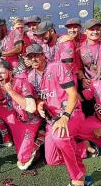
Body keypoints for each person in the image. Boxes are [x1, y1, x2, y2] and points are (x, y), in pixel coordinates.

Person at [33, 43, 87, 185]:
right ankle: (81, 148)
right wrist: (39, 103)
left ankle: (78, 177)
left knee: (60, 138)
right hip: (52, 119)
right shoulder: (31, 76)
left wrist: (65, 117)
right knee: (52, 160)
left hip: (71, 113)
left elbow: (73, 94)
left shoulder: (57, 67)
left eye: (36, 56)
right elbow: (39, 96)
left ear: (43, 56)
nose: (33, 59)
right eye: (30, 57)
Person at [0, 61, 41, 170]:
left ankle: (41, 138)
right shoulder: (2, 87)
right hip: (18, 119)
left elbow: (31, 108)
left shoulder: (22, 82)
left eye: (2, 73)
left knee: (23, 159)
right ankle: (6, 135)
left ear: (10, 72)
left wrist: (10, 91)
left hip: (30, 122)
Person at [77, 19, 101, 117]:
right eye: (91, 29)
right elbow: (78, 68)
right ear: (85, 31)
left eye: (98, 29)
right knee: (88, 114)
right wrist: (82, 79)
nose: (95, 32)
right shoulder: (79, 49)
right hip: (89, 85)